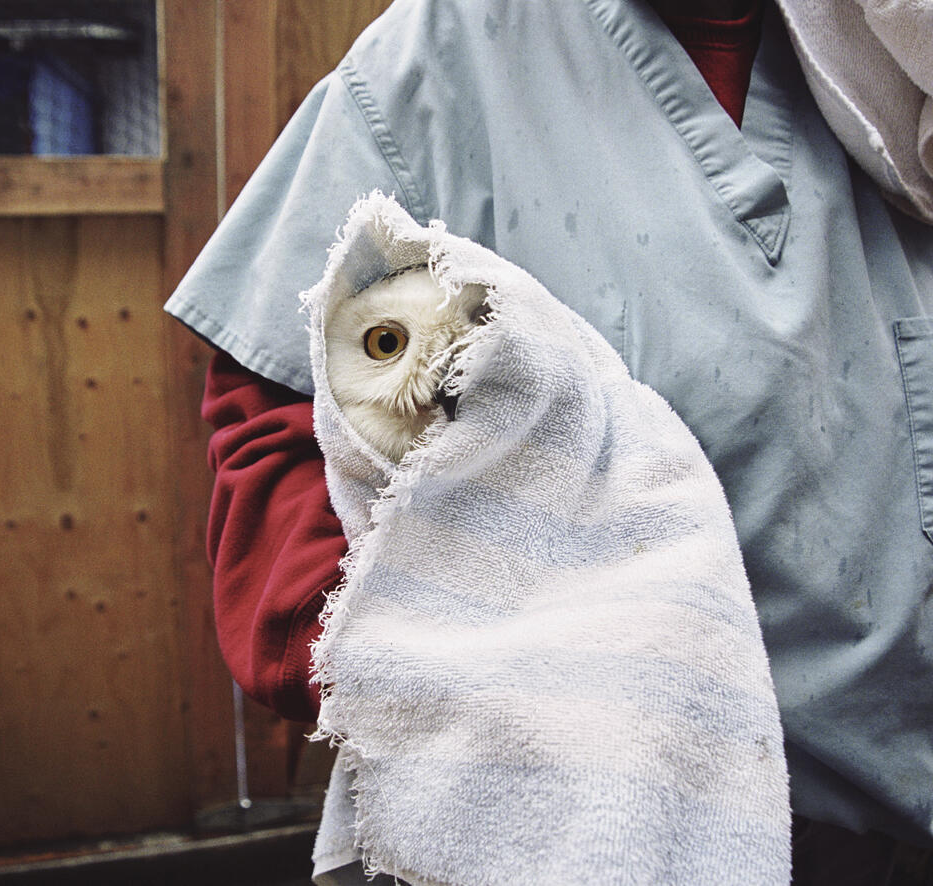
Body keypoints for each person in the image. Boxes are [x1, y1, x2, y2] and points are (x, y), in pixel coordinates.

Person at [165, 0, 933, 881]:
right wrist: (441, 684)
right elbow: (275, 414)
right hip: (621, 823)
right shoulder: (441, 62)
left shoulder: (896, 51)